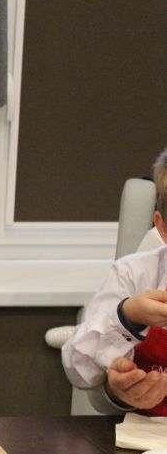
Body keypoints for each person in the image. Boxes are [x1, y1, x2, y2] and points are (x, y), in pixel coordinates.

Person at [62, 148, 167, 415]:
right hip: (146, 435)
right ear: (162, 227)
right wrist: (126, 318)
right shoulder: (136, 274)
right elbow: (78, 370)